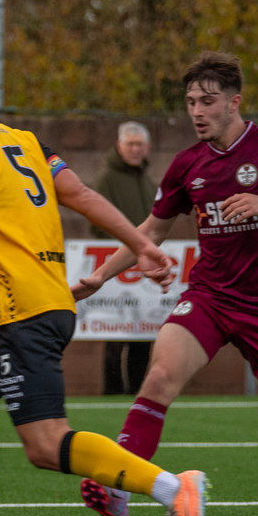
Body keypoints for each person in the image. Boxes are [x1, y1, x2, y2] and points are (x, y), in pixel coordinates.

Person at [0, 54, 210, 516]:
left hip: (24, 312)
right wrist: (142, 244)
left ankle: (172, 487)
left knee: (45, 445)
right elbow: (83, 195)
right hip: (31, 307)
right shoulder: (22, 140)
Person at [71, 51, 258, 516]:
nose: (197, 111)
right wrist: (102, 275)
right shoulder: (187, 166)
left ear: (234, 102)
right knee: (160, 376)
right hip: (210, 296)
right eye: (190, 102)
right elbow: (152, 232)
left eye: (207, 101)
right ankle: (117, 488)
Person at [91, 121, 156, 395]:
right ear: (119, 146)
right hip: (118, 267)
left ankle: (137, 393)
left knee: (144, 333)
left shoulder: (148, 182)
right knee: (116, 335)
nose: (134, 149)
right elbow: (97, 222)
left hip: (143, 270)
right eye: (130, 144)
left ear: (147, 148)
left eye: (139, 144)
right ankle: (113, 392)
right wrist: (126, 251)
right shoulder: (107, 179)